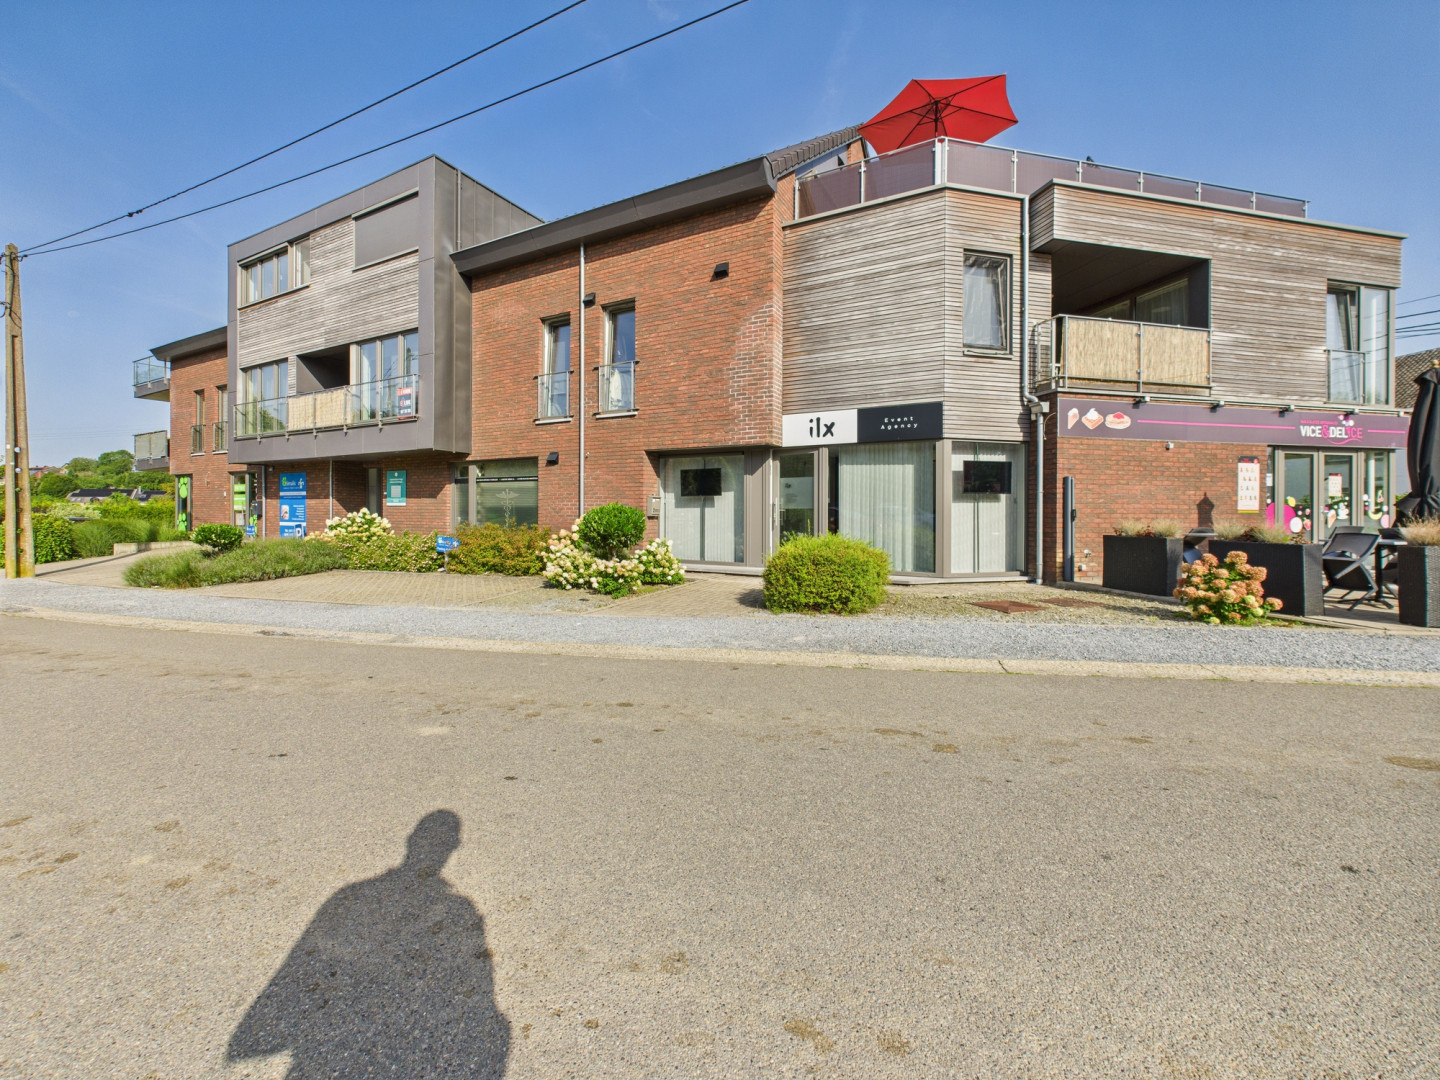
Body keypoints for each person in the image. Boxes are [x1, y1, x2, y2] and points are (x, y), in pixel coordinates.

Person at [227, 810, 510, 1078]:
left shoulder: (349, 896)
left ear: (411, 840)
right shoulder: (458, 908)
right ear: (454, 846)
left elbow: (266, 1023)